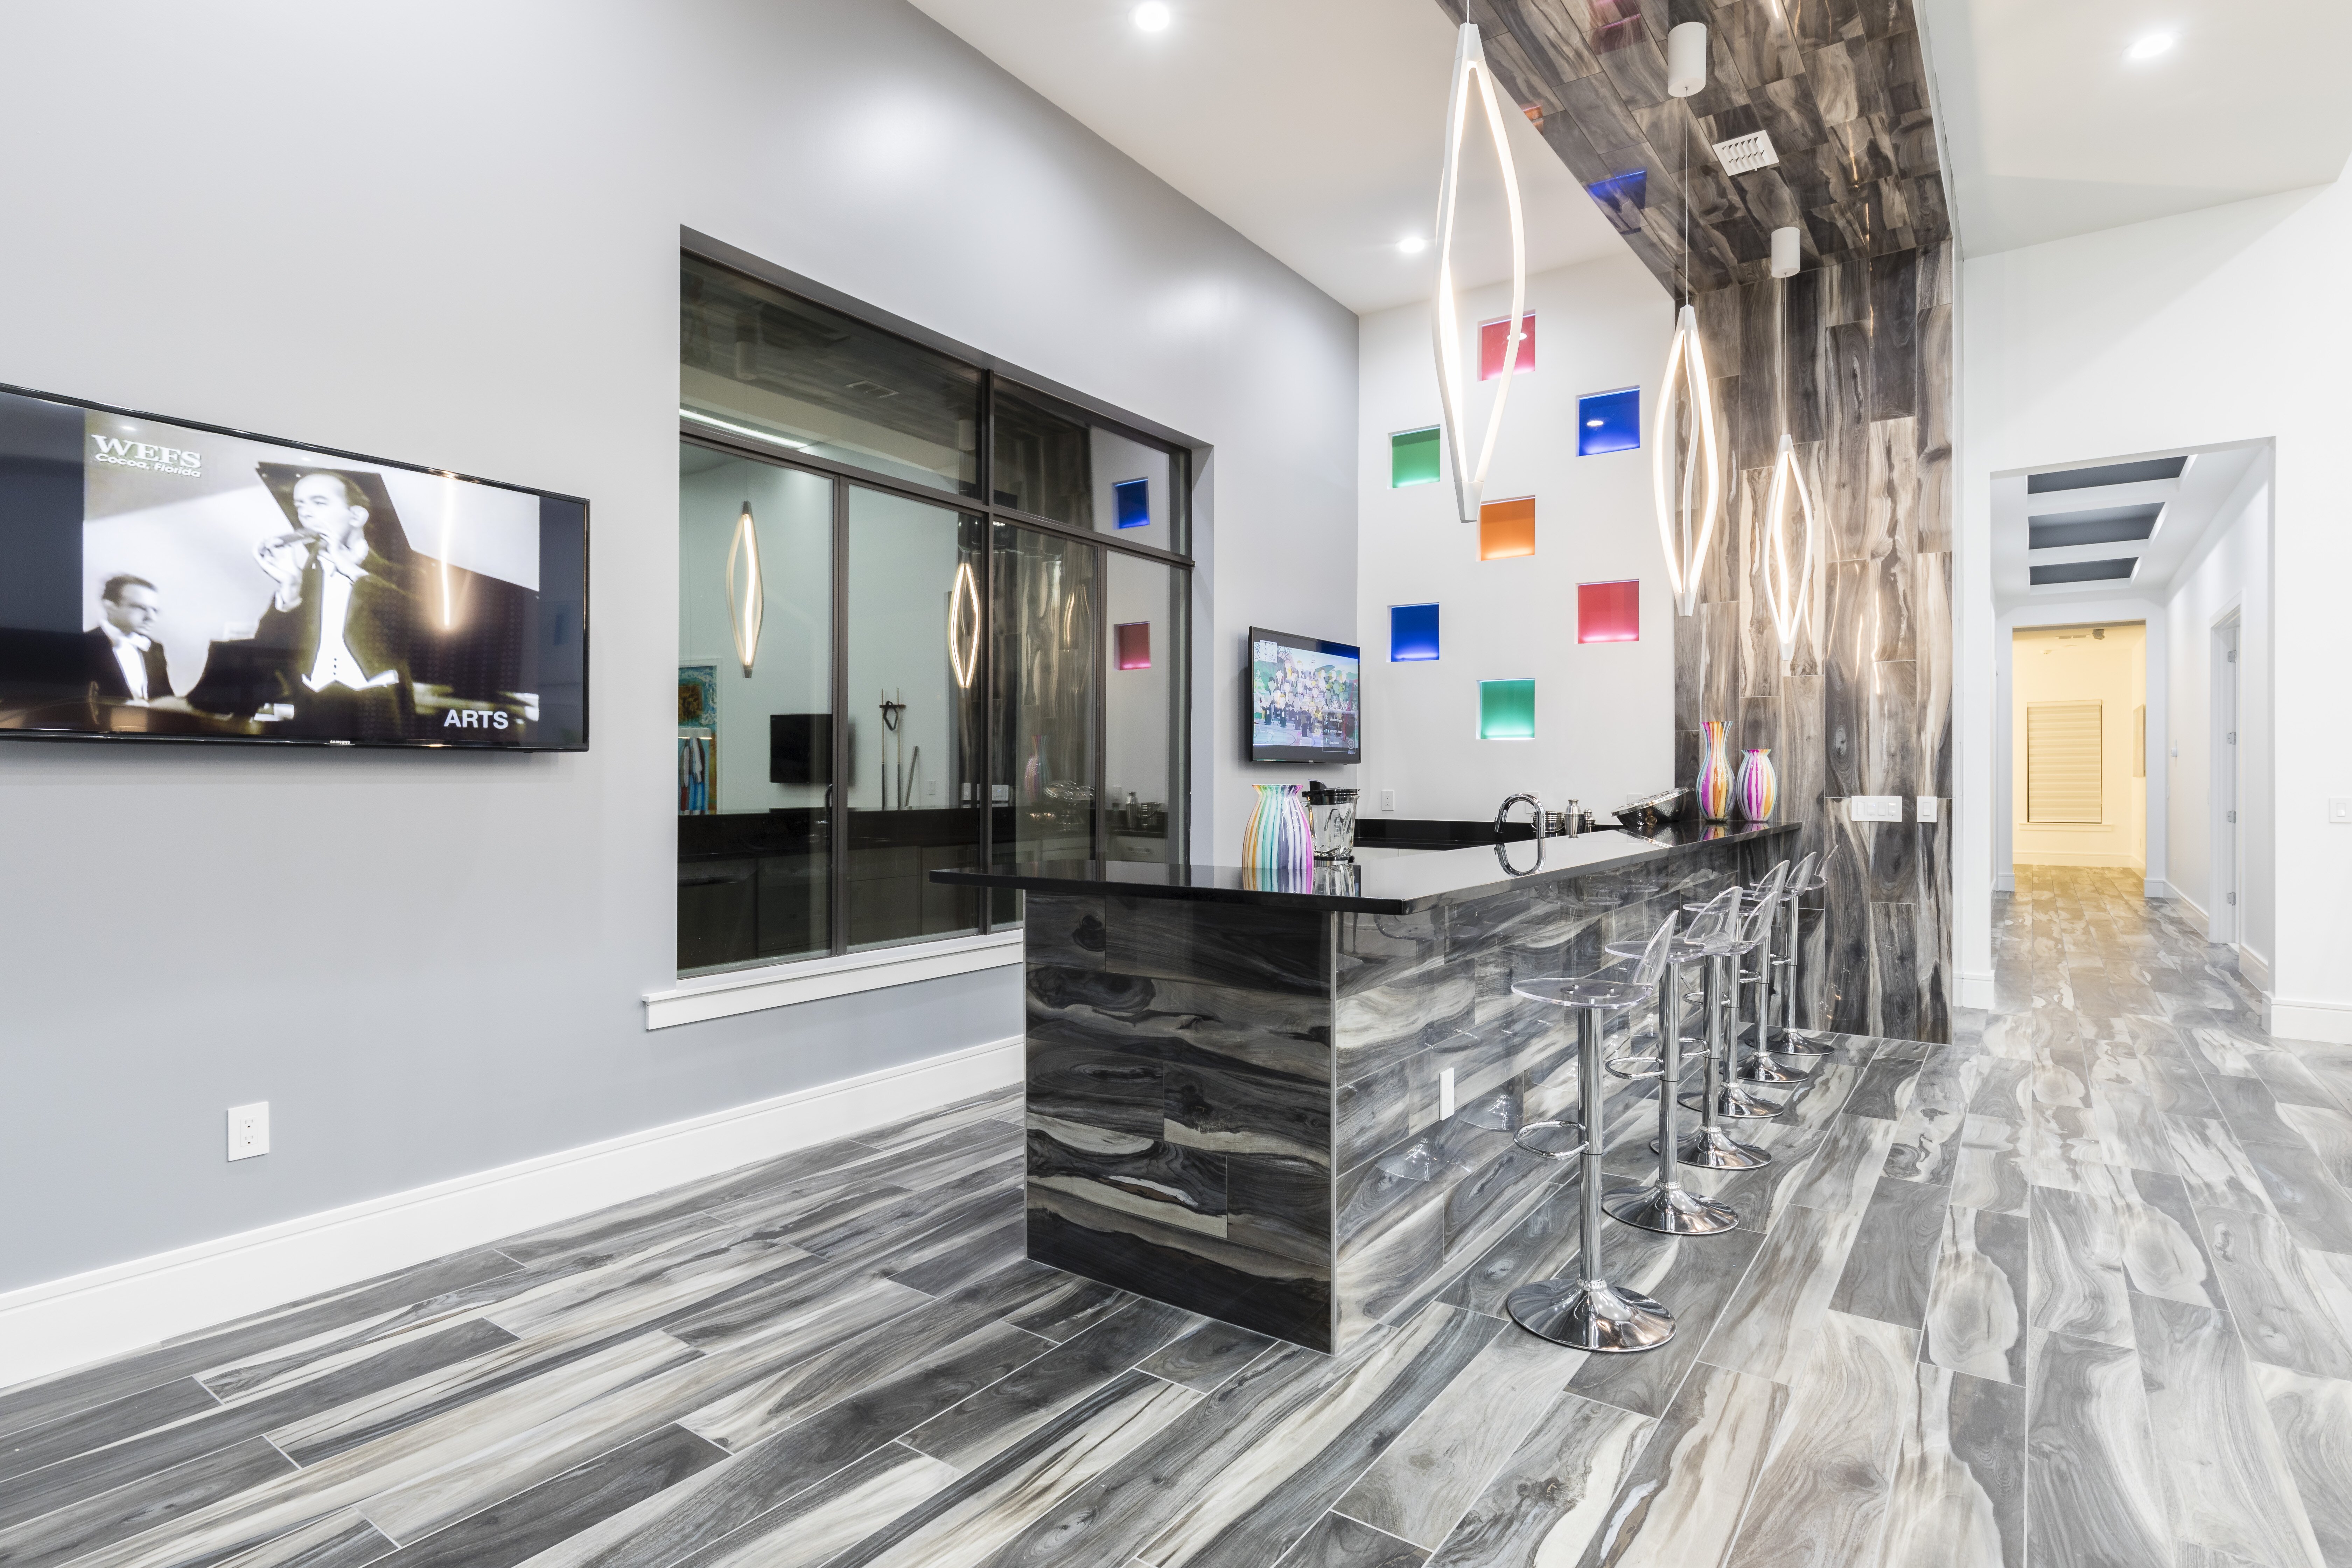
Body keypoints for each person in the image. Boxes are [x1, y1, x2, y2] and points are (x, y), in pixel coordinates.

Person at [246, 470, 415, 739]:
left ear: (356, 516)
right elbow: (266, 653)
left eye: (319, 503)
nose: (306, 515)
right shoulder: (304, 579)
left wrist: (350, 570)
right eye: (301, 506)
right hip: (312, 707)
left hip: (380, 707)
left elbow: (421, 628)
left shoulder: (399, 575)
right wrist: (290, 587)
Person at [84, 574, 173, 702]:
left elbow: (164, 698)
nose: (152, 618)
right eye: (141, 608)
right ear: (110, 607)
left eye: (155, 611)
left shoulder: (154, 648)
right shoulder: (83, 646)